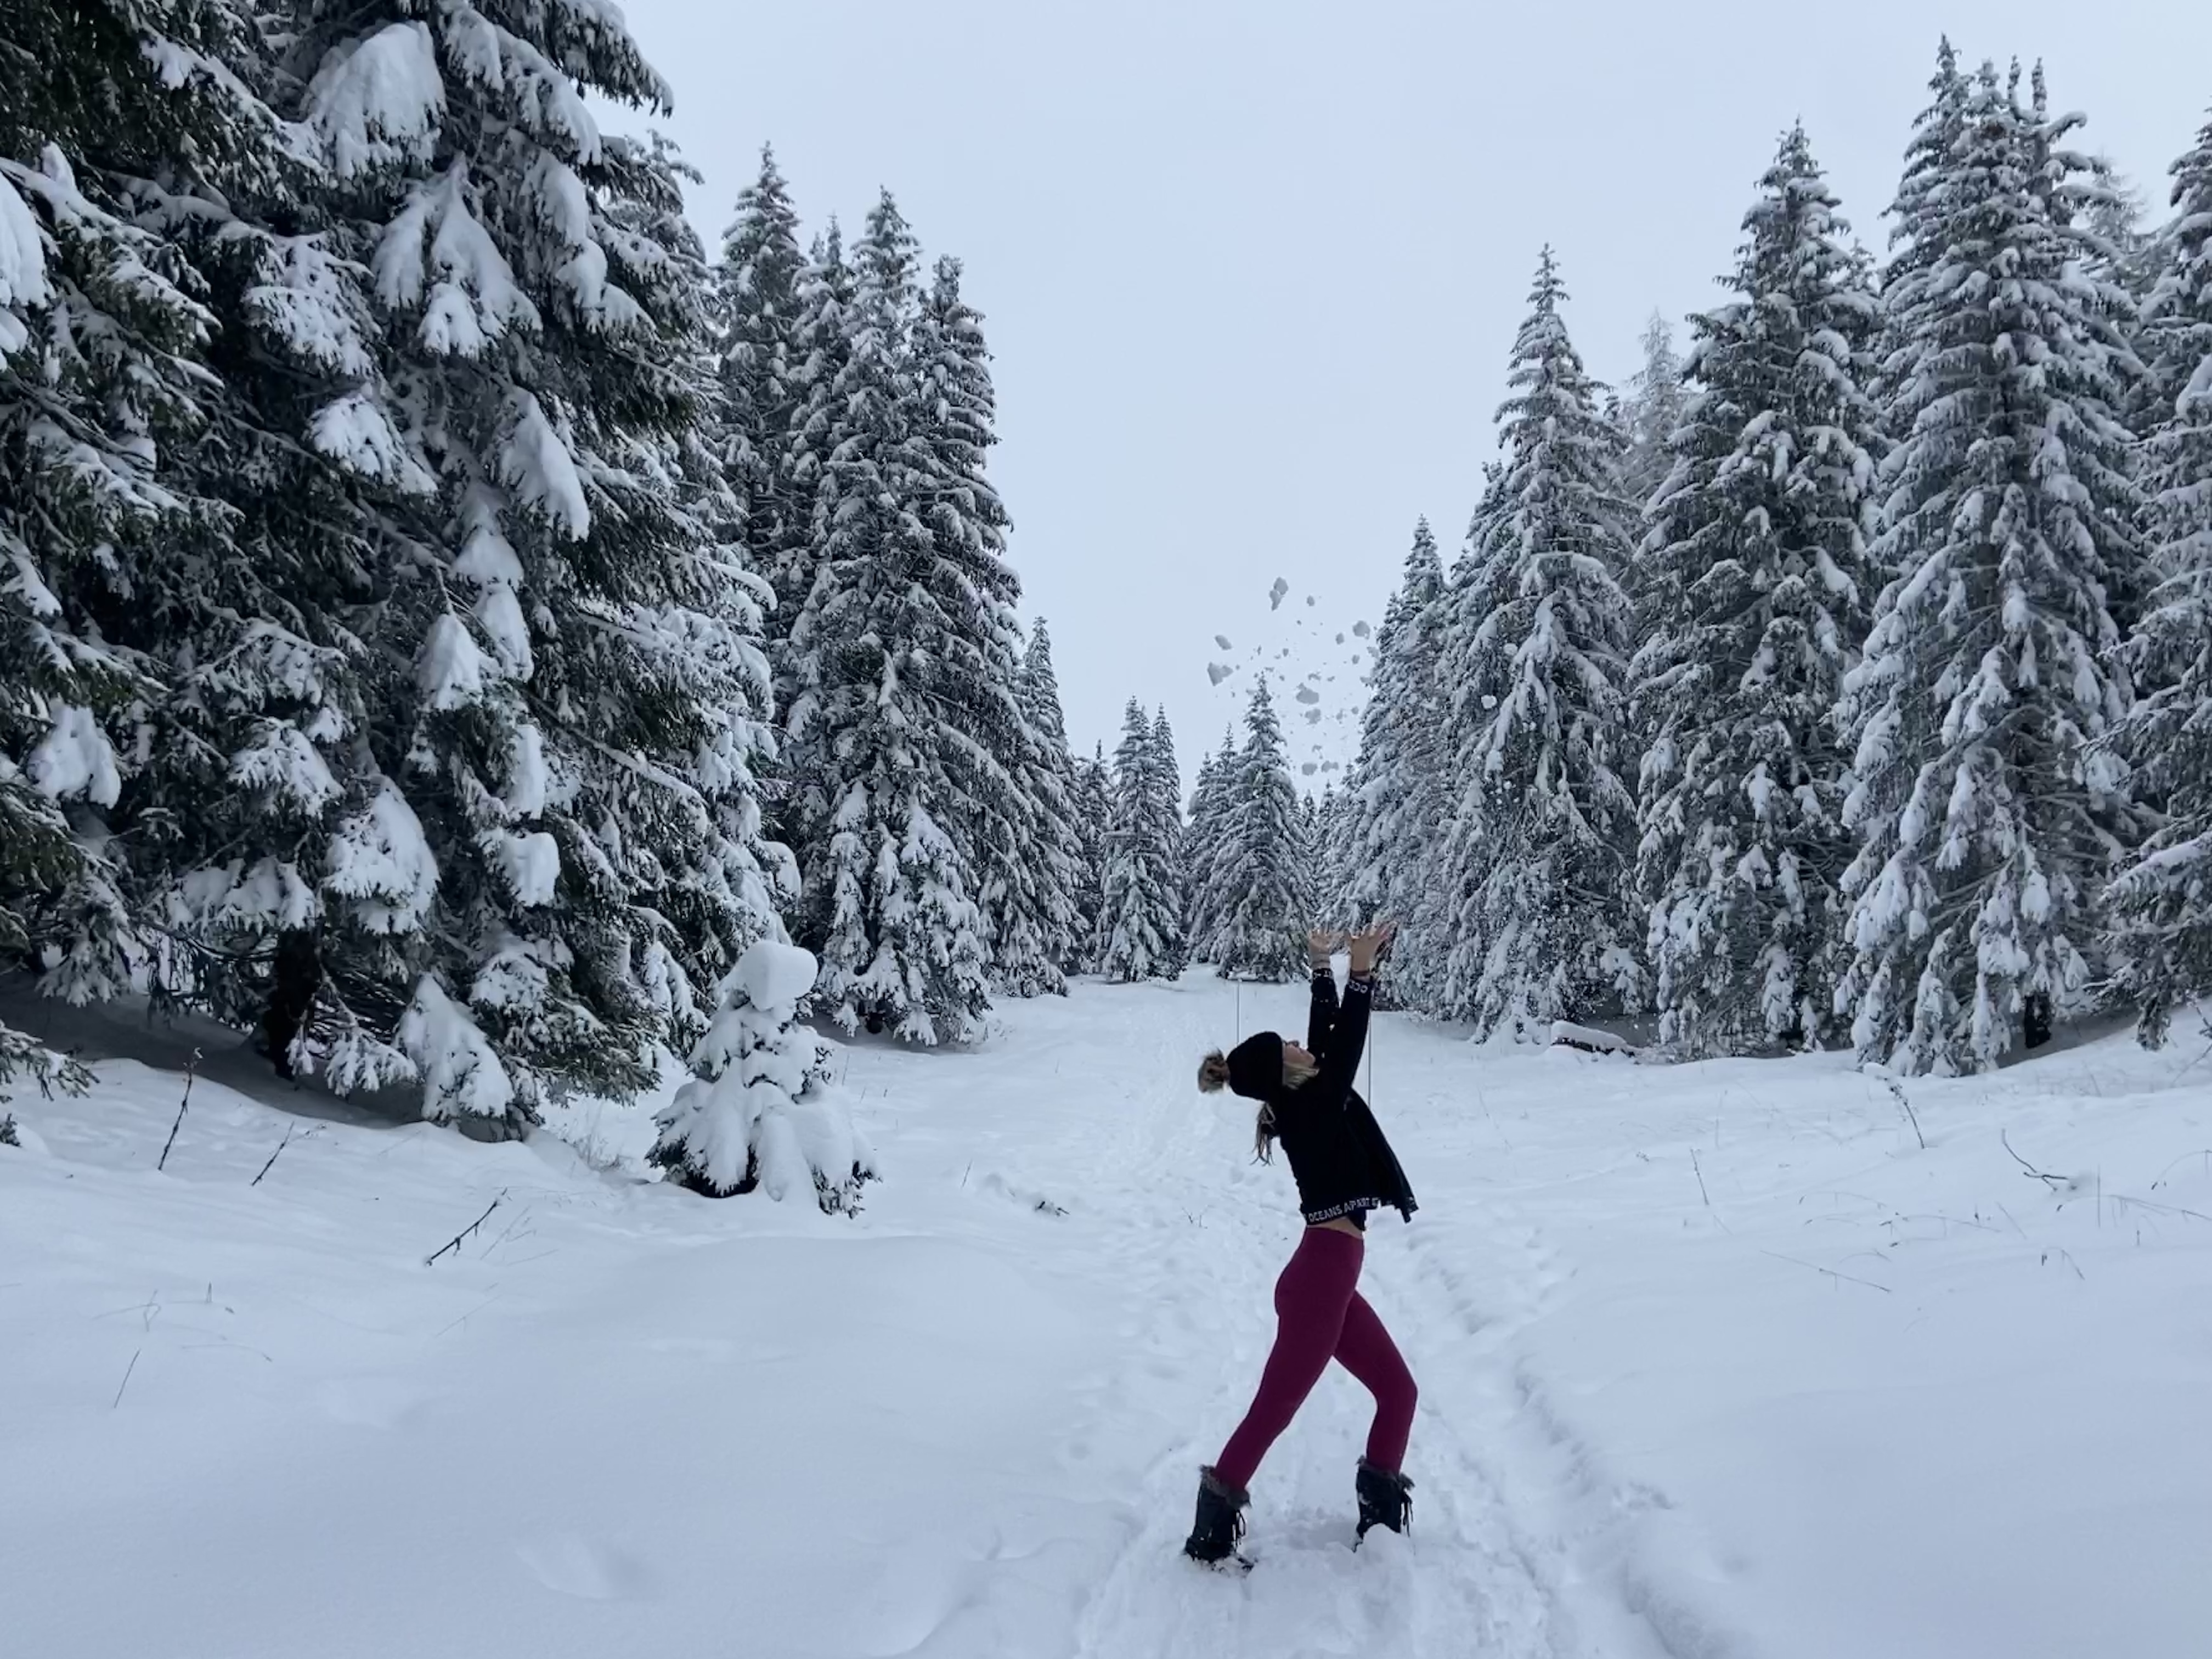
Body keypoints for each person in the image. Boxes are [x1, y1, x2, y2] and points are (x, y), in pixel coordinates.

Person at [1184, 922, 1419, 1565]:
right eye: (1287, 1044)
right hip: (1320, 1280)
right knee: (1274, 1410)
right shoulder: (1312, 1106)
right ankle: (1208, 1537)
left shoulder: (1306, 1101)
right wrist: (1361, 974)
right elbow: (1340, 1055)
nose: (1299, 1043)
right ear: (1285, 1073)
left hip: (1326, 1276)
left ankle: (1379, 1530)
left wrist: (1323, 967)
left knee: (1399, 1392)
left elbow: (1324, 1045)